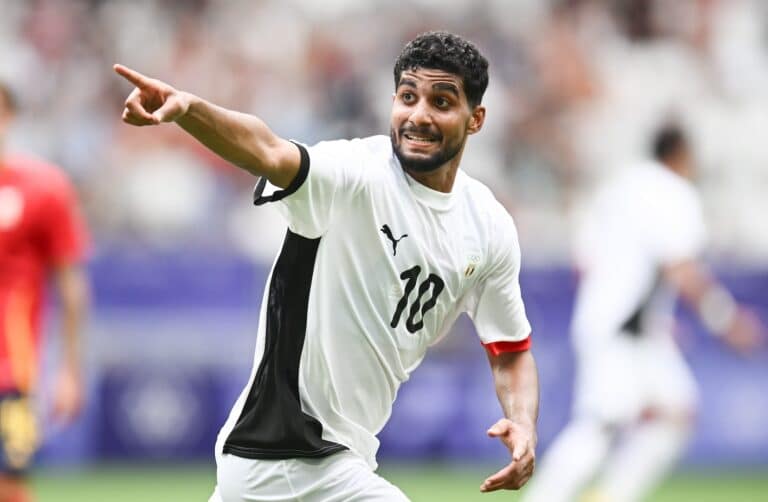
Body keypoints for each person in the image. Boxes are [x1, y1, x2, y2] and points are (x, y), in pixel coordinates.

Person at [115, 31, 539, 501]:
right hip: (285, 453)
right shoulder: (355, 174)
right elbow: (269, 150)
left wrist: (522, 422)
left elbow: (510, 350)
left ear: (475, 119)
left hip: (331, 458)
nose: (419, 115)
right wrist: (190, 110)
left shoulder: (487, 225)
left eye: (441, 102)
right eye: (408, 97)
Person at [522, 123, 764, 502]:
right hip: (622, 328)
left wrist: (650, 316)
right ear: (682, 155)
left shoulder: (619, 188)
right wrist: (725, 319)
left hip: (627, 325)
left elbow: (584, 261)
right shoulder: (673, 191)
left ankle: (611, 497)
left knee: (677, 411)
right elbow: (680, 266)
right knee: (601, 425)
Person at [0, 81, 90, 502]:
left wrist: (69, 370)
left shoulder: (44, 188)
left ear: (9, 117)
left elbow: (71, 285)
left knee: (9, 485)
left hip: (10, 369)